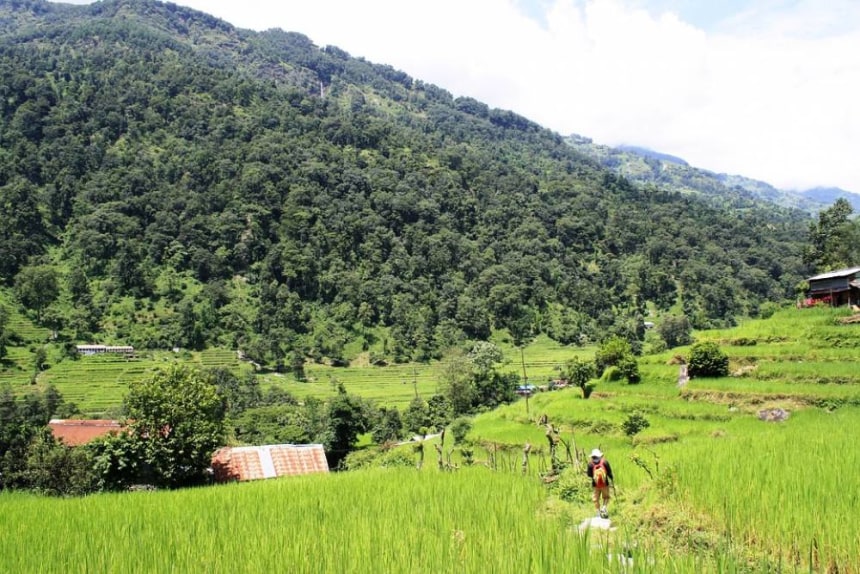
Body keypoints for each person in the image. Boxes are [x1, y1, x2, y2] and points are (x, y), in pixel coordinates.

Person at [586, 448, 614, 518]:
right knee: (606, 497)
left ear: (592, 457)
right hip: (605, 484)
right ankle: (604, 507)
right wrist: (612, 478)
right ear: (600, 456)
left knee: (595, 499)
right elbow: (609, 472)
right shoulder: (605, 462)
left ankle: (598, 512)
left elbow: (589, 474)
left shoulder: (590, 464)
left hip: (595, 485)